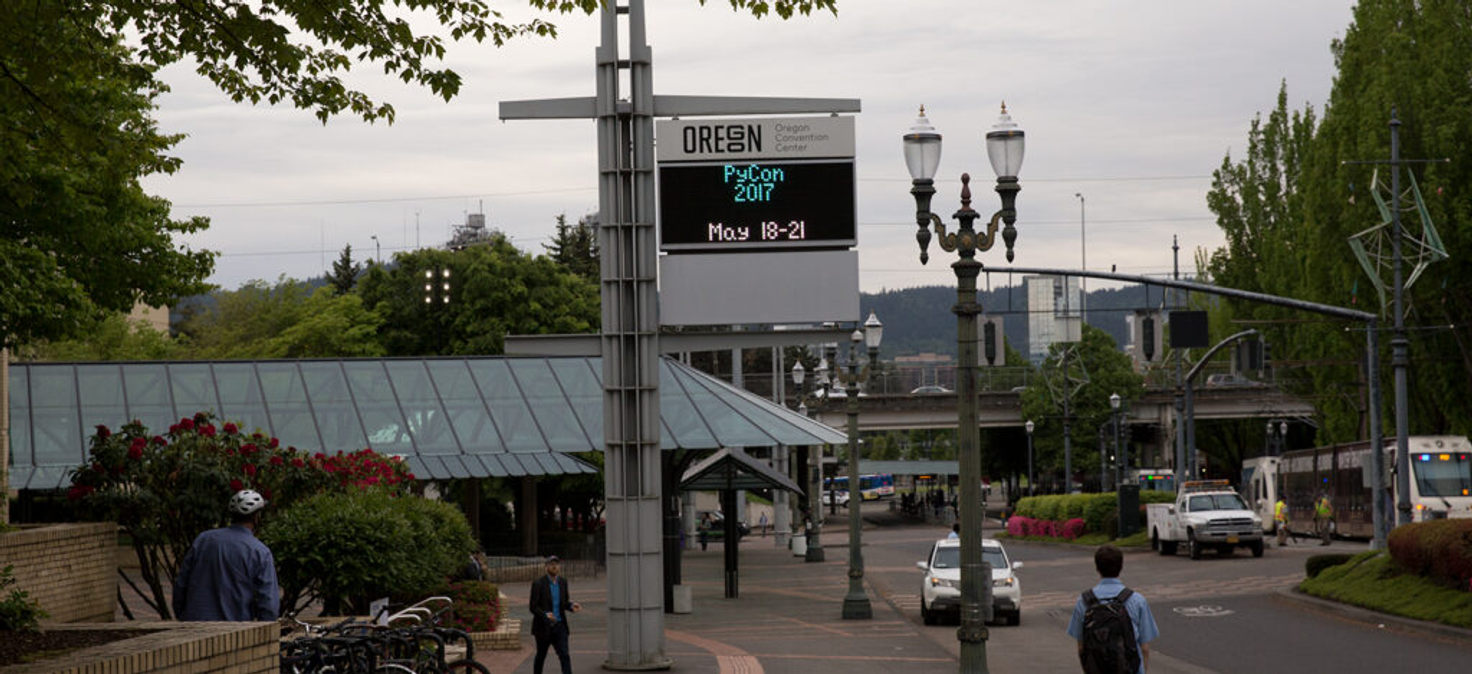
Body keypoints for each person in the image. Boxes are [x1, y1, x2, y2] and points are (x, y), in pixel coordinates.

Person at [172, 489, 280, 621]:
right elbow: (268, 604)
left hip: (194, 628)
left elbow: (181, 585)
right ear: (256, 517)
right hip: (235, 632)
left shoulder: (203, 540)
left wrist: (182, 616)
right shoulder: (260, 552)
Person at [1067, 544, 1158, 674]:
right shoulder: (1137, 601)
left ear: (1097, 568)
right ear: (1121, 567)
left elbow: (1081, 647)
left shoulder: (1083, 601)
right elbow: (1144, 647)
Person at [530, 555, 581, 674]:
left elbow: (564, 602)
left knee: (564, 655)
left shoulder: (563, 582)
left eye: (556, 564)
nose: (554, 566)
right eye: (551, 564)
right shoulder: (538, 584)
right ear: (546, 567)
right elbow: (533, 607)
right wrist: (545, 615)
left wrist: (571, 606)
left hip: (560, 626)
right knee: (541, 656)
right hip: (543, 627)